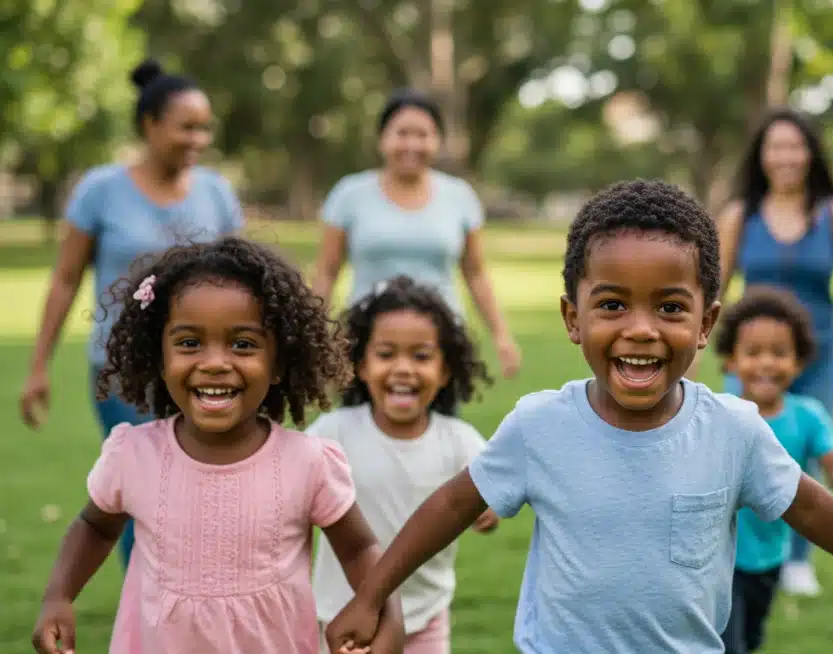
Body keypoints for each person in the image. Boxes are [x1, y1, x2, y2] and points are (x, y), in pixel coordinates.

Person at [324, 179, 833, 654]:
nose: (640, 329)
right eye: (613, 304)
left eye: (670, 307)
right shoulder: (540, 426)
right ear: (573, 318)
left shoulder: (733, 431)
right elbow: (453, 506)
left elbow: (809, 507)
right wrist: (373, 594)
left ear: (705, 324)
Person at [30, 238, 404, 654]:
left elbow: (359, 549)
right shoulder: (132, 454)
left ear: (279, 363)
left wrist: (384, 610)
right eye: (189, 343)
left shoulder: (308, 463)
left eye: (243, 344)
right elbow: (95, 527)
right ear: (159, 357)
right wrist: (58, 596)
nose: (214, 362)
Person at [18, 58, 243, 568]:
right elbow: (65, 279)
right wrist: (38, 367)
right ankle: (148, 615)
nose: (198, 138)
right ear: (150, 125)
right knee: (141, 490)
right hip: (121, 368)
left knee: (202, 489)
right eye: (187, 126)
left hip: (202, 363)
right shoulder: (101, 190)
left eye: (204, 127)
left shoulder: (216, 192)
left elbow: (242, 279)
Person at [712, 107, 833, 596]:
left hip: (818, 353)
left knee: (807, 449)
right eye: (777, 147)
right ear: (763, 156)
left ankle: (797, 560)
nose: (787, 156)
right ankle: (743, 552)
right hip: (752, 359)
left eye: (796, 146)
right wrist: (700, 335)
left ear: (810, 153)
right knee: (745, 448)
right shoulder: (739, 216)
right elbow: (718, 285)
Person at [311, 275, 501, 654]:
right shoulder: (333, 432)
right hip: (340, 615)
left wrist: (489, 513)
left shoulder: (459, 441)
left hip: (425, 620)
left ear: (445, 371)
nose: (403, 368)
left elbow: (490, 495)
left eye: (421, 356)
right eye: (386, 354)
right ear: (360, 366)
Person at [312, 88, 520, 379]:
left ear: (437, 141)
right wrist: (312, 337)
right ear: (382, 138)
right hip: (366, 342)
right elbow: (327, 270)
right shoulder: (349, 194)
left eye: (423, 134)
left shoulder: (459, 196)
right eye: (402, 133)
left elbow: (475, 272)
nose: (412, 144)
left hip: (438, 343)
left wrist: (501, 335)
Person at [713, 287, 833, 654]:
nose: (766, 363)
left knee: (750, 641)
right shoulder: (722, 415)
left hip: (770, 557)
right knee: (727, 645)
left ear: (799, 362)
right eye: (753, 353)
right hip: (721, 558)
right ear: (730, 361)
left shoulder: (808, 416)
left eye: (779, 353)